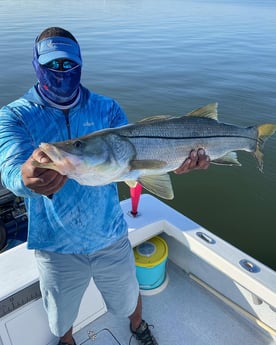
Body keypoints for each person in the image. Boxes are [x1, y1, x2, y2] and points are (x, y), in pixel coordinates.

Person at [0, 27, 210, 345]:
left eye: (68, 63)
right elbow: (11, 169)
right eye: (52, 64)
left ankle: (138, 325)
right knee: (61, 315)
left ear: (80, 64)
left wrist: (173, 161)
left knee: (128, 298)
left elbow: (134, 164)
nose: (61, 71)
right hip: (56, 246)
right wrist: (26, 179)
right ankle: (66, 340)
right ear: (37, 64)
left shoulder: (107, 108)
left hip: (110, 235)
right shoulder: (15, 116)